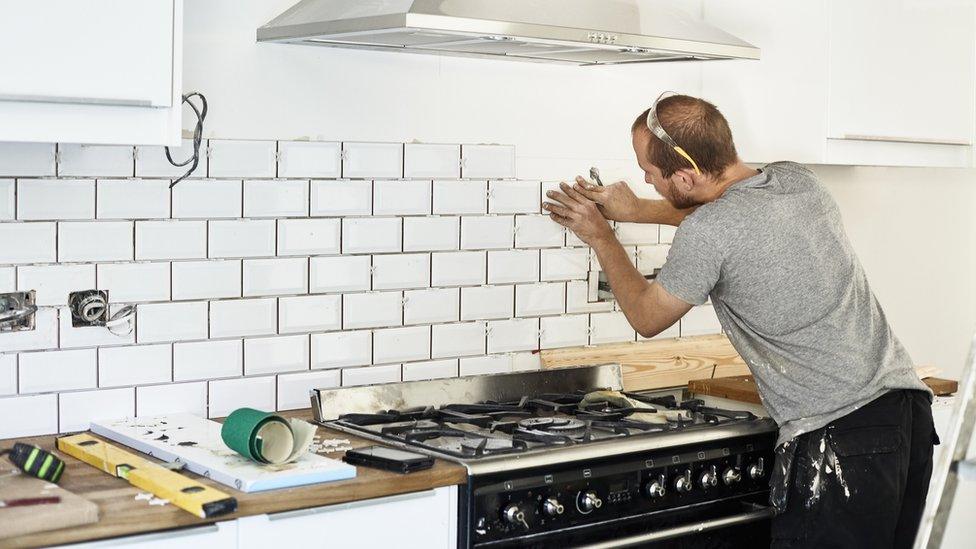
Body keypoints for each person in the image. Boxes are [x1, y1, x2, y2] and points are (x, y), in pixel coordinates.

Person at [543, 92, 939, 549]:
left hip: (840, 438)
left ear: (686, 176)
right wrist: (636, 210)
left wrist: (601, 235)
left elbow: (647, 316)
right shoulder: (797, 180)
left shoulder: (709, 232)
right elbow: (720, 210)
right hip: (907, 415)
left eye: (649, 175)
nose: (644, 182)